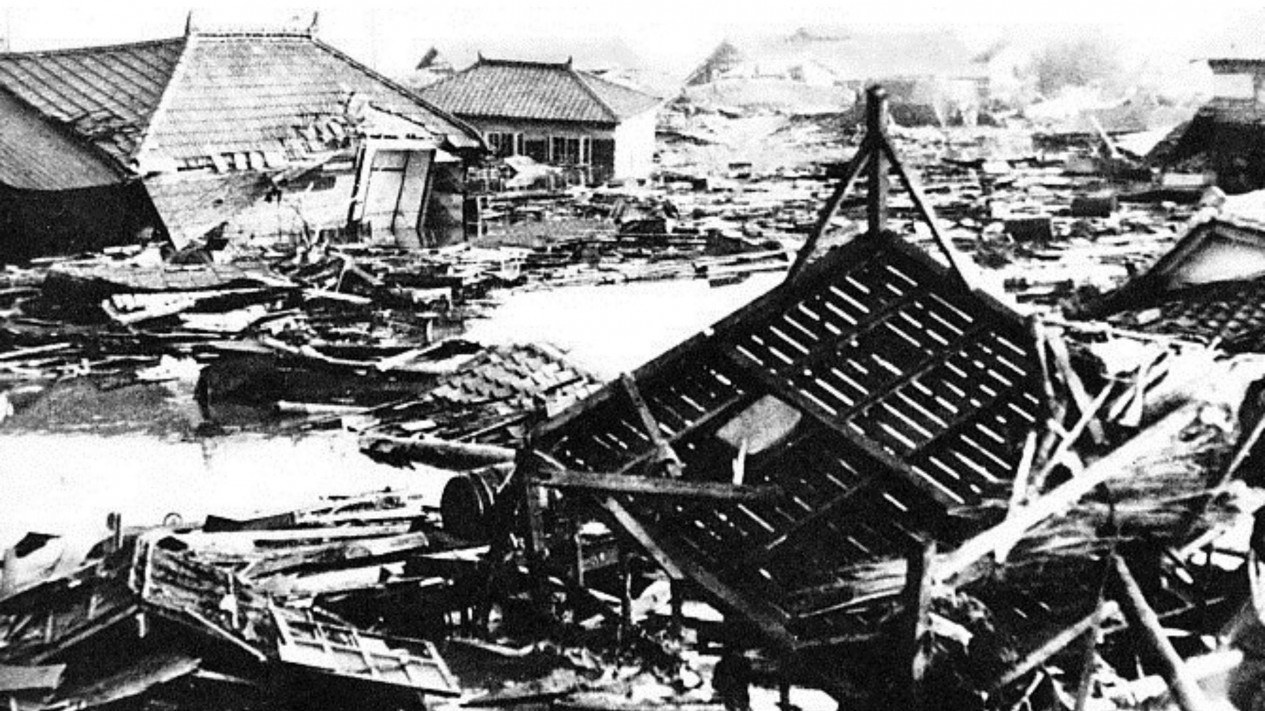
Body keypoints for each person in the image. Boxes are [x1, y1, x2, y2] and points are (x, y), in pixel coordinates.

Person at [713, 647, 753, 711]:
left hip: (732, 689)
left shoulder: (721, 664)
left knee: (734, 704)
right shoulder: (745, 662)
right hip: (734, 689)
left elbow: (716, 680)